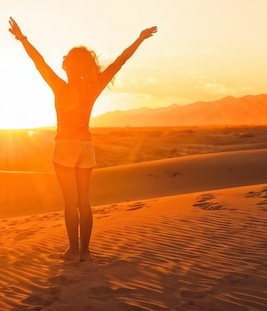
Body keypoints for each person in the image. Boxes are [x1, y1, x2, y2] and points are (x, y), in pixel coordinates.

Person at [8, 17, 157, 262]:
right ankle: (86, 252)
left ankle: (73, 250)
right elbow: (120, 62)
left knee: (70, 203)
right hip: (86, 148)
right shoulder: (94, 86)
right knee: (84, 202)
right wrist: (139, 39)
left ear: (68, 66)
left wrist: (22, 38)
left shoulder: (59, 86)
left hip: (65, 146)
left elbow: (39, 62)